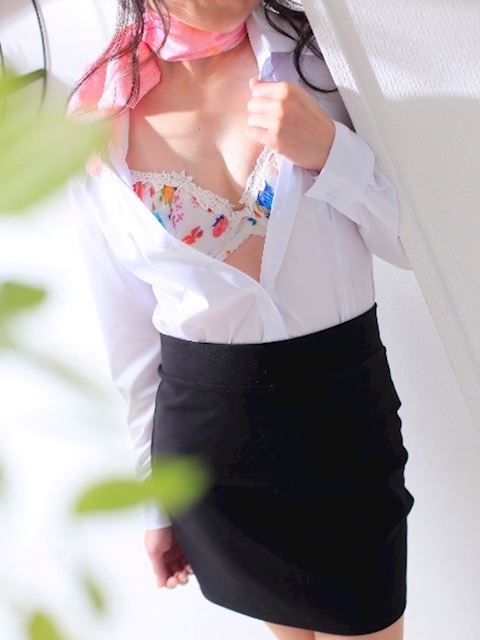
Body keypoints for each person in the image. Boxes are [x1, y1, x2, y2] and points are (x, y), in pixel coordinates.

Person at [65, 1, 415, 639]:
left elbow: (418, 248)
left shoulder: (320, 59)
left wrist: (332, 153)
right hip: (210, 455)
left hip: (344, 425)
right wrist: (155, 498)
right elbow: (131, 337)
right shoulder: (95, 122)